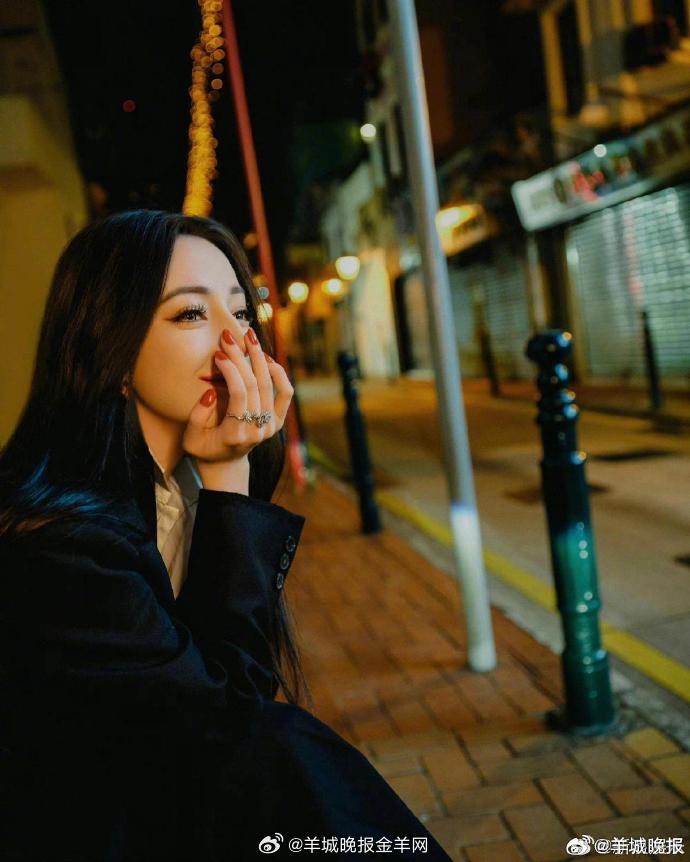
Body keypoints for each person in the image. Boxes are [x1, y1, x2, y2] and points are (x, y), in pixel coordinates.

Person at [0, 210, 452, 861]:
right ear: (110, 351)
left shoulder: (176, 488)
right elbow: (225, 727)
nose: (234, 341)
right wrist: (229, 483)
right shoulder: (60, 547)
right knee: (286, 750)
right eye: (190, 314)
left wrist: (224, 479)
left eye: (241, 312)